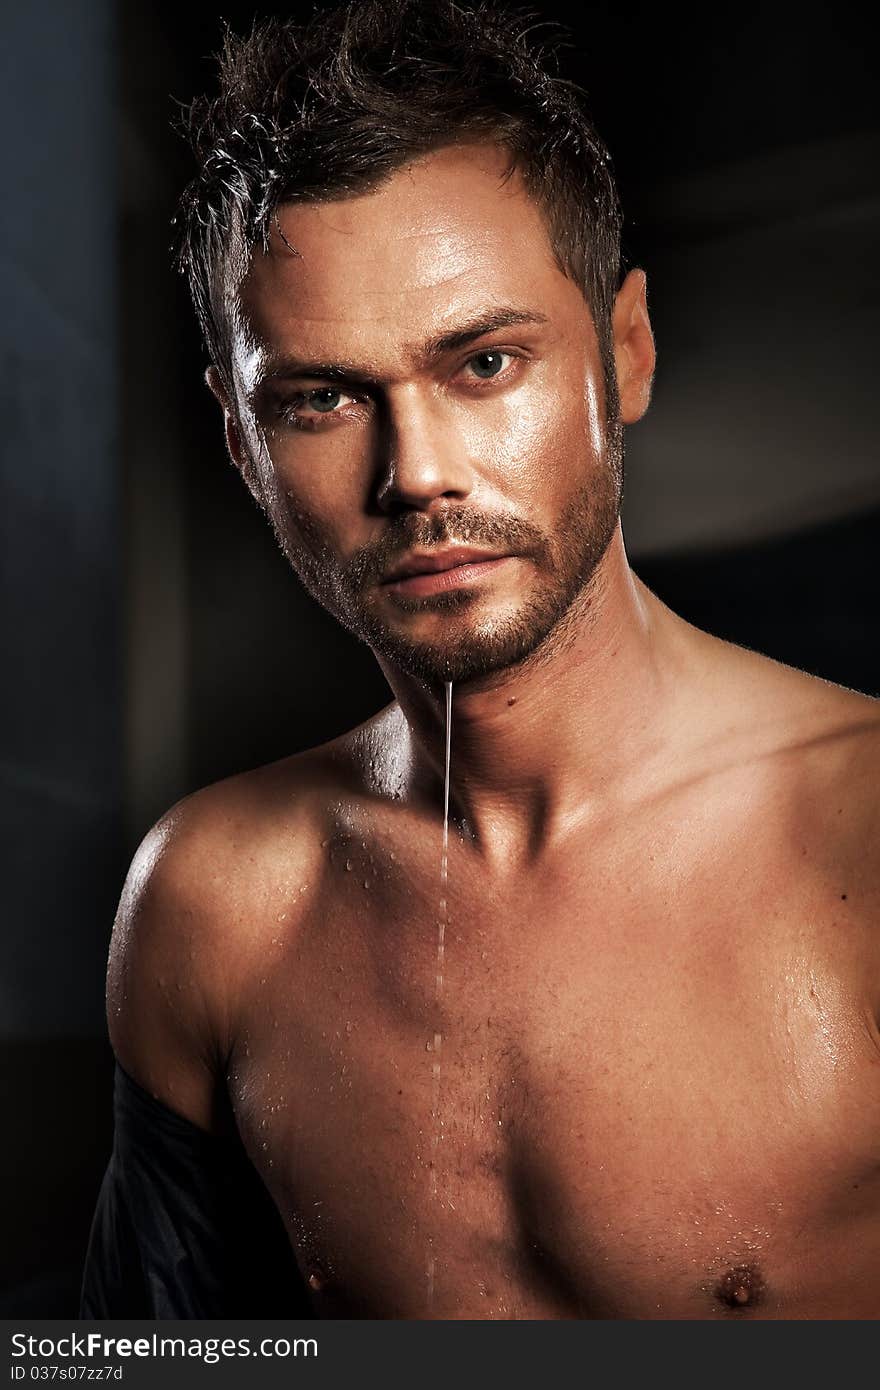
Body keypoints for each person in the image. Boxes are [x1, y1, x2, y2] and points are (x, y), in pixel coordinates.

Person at [82, 0, 880, 1320]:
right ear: (242, 442)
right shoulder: (210, 906)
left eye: (485, 361)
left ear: (623, 355)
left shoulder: (858, 841)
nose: (420, 475)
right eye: (322, 398)